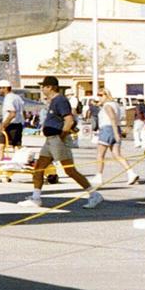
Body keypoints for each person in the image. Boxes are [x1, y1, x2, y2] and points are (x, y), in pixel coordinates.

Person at [29, 77, 103, 209]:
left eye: (44, 86)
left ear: (50, 87)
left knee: (70, 170)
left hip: (57, 139)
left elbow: (68, 120)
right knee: (39, 167)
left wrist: (62, 136)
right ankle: (36, 198)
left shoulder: (60, 100)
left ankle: (94, 194)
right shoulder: (53, 101)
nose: (42, 89)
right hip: (50, 140)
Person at [94, 93, 132, 187]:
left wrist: (115, 133)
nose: (99, 98)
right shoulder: (115, 105)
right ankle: (131, 173)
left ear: (106, 96)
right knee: (117, 154)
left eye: (101, 95)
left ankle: (99, 176)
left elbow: (112, 118)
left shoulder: (107, 105)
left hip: (107, 129)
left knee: (100, 154)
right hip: (116, 128)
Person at [0, 79, 26, 180]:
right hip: (18, 125)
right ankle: (21, 165)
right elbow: (23, 112)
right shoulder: (17, 97)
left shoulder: (8, 98)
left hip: (10, 125)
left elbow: (12, 113)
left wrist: (3, 125)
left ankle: (1, 169)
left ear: (5, 88)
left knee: (0, 145)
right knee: (17, 146)